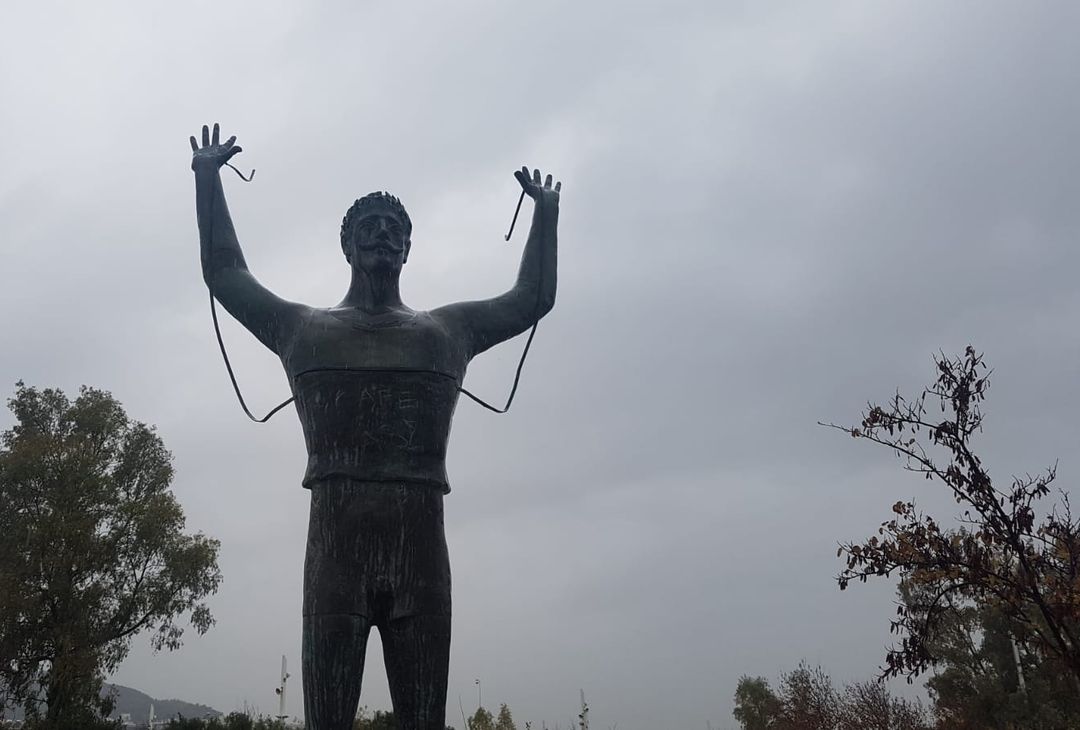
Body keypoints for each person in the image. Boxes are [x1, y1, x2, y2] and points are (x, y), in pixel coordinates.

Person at [190, 123, 560, 730]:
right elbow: (228, 277)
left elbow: (531, 299)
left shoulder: (446, 333)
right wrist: (208, 180)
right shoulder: (304, 330)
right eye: (370, 228)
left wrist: (544, 213)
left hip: (421, 554)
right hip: (336, 555)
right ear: (348, 246)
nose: (383, 234)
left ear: (408, 249)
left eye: (396, 230)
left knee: (425, 719)